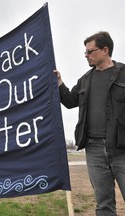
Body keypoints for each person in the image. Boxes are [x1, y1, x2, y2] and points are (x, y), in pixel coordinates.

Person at [54, 31, 125, 215]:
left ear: (105, 50)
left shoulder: (124, 74)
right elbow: (70, 101)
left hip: (121, 148)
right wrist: (59, 82)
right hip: (93, 148)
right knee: (104, 205)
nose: (86, 55)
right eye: (84, 52)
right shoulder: (85, 79)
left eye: (89, 51)